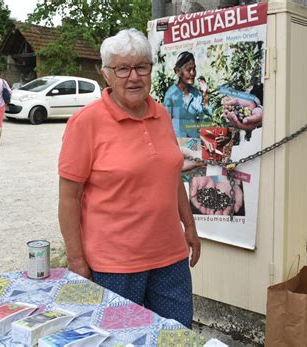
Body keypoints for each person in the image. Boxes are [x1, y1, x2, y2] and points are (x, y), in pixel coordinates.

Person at [58, 29, 201, 329]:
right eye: (123, 68)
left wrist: (189, 225)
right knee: (119, 337)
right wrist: (76, 261)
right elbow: (69, 197)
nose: (133, 77)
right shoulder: (86, 123)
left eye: (141, 67)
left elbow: (170, 175)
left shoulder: (161, 114)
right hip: (114, 266)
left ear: (151, 70)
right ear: (106, 75)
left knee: (176, 335)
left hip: (170, 258)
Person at [164, 51, 212, 138]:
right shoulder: (171, 95)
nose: (193, 73)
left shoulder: (197, 95)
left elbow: (205, 122)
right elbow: (166, 124)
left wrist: (206, 98)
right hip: (178, 145)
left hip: (194, 144)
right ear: (178, 72)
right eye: (188, 70)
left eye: (194, 69)